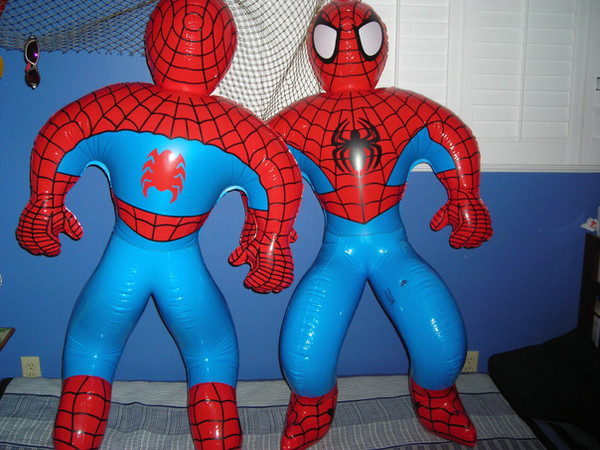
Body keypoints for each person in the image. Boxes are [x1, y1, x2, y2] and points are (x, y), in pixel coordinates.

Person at [16, 0, 302, 448]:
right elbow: (276, 172)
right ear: (226, 51)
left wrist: (46, 202)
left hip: (125, 256)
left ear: (155, 38)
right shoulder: (237, 128)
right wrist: (270, 241)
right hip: (181, 263)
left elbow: (61, 132)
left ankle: (77, 433)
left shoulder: (117, 104)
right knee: (211, 351)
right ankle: (218, 434)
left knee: (92, 345)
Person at [268, 1, 492, 448]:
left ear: (379, 44)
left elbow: (450, 134)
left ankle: (436, 398)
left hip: (392, 248)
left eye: (361, 39)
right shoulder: (297, 120)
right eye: (336, 41)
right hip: (342, 249)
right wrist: (270, 230)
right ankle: (312, 406)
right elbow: (265, 165)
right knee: (304, 355)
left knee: (442, 343)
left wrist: (465, 196)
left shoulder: (403, 109)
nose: (349, 50)